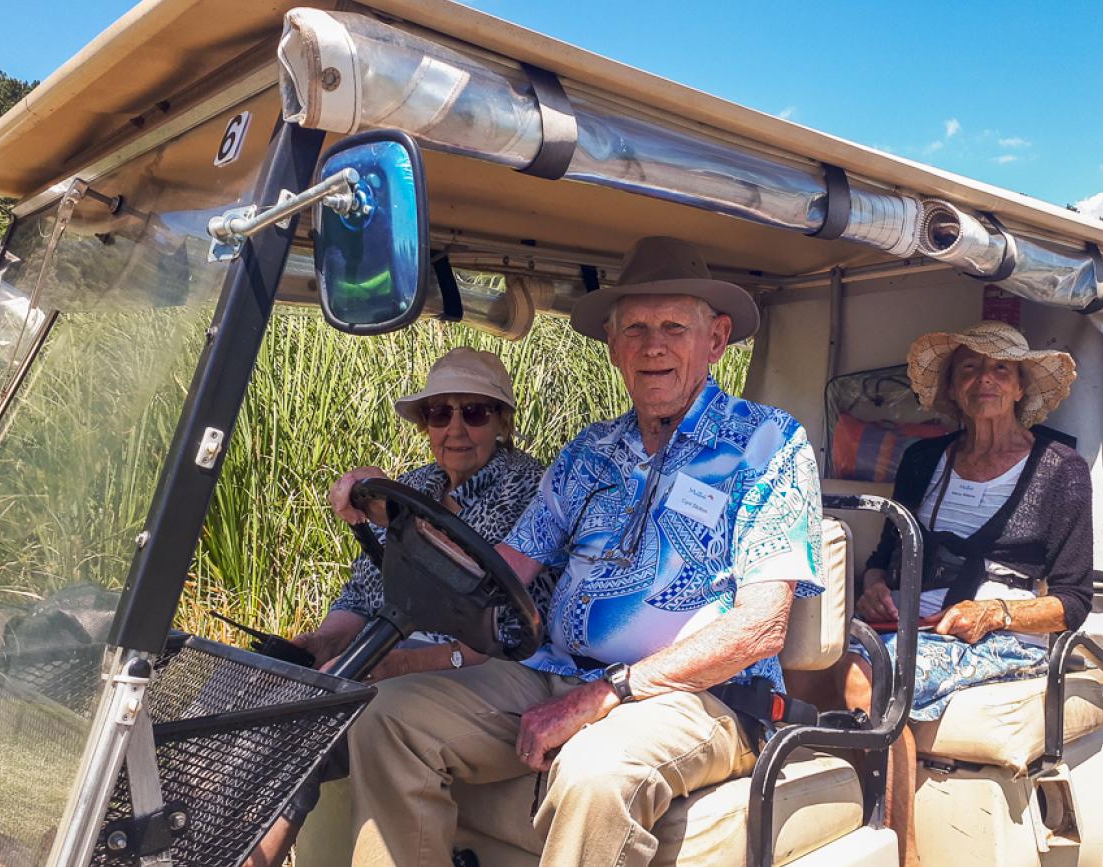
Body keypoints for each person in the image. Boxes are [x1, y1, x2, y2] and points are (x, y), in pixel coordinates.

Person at [344, 236, 825, 867]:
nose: (653, 345)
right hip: (556, 670)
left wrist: (611, 693)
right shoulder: (587, 452)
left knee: (596, 772)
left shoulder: (768, 444)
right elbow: (499, 569)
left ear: (715, 340)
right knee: (387, 717)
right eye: (636, 330)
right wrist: (392, 514)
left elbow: (760, 628)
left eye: (674, 327)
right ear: (614, 347)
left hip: (701, 695)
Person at [246, 347, 552, 867]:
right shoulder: (415, 486)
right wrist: (318, 644)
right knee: (262, 690)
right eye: (439, 413)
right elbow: (364, 594)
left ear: (502, 421)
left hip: (484, 661)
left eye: (473, 412)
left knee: (317, 722)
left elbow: (479, 594)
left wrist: (394, 661)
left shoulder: (526, 486)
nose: (454, 429)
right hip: (394, 648)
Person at [845, 320, 1094, 866]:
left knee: (866, 682)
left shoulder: (1061, 470)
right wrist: (873, 588)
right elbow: (885, 553)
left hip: (1000, 637)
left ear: (1021, 385)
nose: (986, 379)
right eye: (970, 369)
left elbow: (1073, 603)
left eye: (1000, 368)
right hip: (911, 624)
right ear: (953, 388)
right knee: (800, 665)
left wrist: (995, 613)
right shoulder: (922, 461)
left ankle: (899, 856)